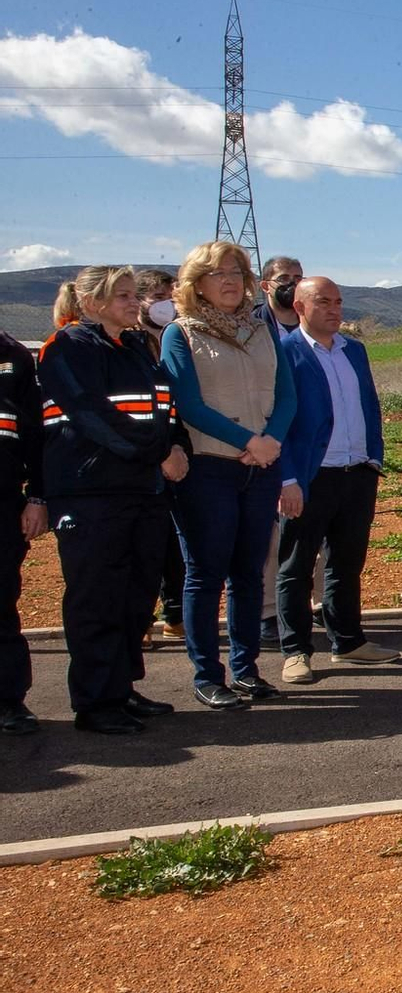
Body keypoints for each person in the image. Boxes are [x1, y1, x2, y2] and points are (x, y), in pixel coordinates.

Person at [39, 265, 187, 733]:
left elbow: (165, 408)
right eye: (121, 295)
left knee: (135, 593)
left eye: (132, 294)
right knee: (97, 598)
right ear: (91, 302)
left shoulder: (137, 347)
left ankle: (121, 687)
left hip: (143, 490)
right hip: (93, 493)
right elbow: (92, 417)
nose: (133, 302)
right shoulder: (68, 348)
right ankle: (95, 702)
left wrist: (177, 444)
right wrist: (159, 454)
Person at [161, 241, 298, 709]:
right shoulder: (180, 334)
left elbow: (287, 394)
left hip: (260, 469)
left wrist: (271, 440)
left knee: (248, 574)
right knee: (206, 572)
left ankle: (246, 670)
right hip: (209, 470)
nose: (230, 280)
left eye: (237, 272)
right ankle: (207, 675)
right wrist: (249, 442)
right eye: (218, 273)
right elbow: (189, 405)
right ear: (196, 283)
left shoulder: (262, 331)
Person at [274, 277, 397, 684]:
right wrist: (287, 477)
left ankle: (347, 642)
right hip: (312, 476)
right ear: (300, 306)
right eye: (323, 301)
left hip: (356, 472)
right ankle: (295, 651)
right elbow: (278, 422)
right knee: (296, 565)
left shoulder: (354, 350)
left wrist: (374, 457)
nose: (334, 309)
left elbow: (369, 405)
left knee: (346, 563)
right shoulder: (283, 352)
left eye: (339, 301)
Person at [251, 255, 303, 648]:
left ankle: (312, 603)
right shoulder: (254, 327)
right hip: (267, 436)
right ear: (266, 284)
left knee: (309, 529)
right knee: (271, 534)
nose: (293, 284)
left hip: (308, 437)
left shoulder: (309, 319)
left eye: (299, 278)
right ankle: (268, 611)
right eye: (285, 278)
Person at [134, 269, 186, 645]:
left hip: (180, 456)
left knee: (175, 546)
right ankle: (139, 621)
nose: (166, 304)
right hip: (141, 462)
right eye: (157, 298)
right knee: (141, 549)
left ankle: (175, 614)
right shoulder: (127, 346)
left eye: (171, 296)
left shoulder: (180, 340)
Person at [0, 324, 46, 735]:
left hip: (4, 500)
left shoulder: (12, 355)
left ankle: (9, 700)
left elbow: (34, 434)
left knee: (2, 602)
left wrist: (37, 497)